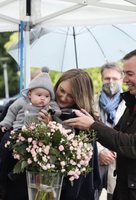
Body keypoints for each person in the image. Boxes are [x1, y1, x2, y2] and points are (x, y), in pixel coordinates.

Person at [66, 49, 136, 200]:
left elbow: (131, 144)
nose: (124, 81)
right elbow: (116, 132)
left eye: (130, 74)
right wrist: (88, 120)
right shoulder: (132, 103)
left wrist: (92, 125)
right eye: (125, 74)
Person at [39, 69, 101, 200]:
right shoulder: (44, 103)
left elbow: (74, 161)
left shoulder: (83, 120)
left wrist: (51, 127)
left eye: (71, 95)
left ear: (80, 98)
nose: (63, 97)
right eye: (61, 90)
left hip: (72, 190)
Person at [0, 71, 61, 173]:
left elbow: (57, 111)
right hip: (18, 129)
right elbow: (12, 112)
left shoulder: (48, 105)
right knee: (6, 141)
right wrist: (6, 123)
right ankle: (0, 160)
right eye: (39, 94)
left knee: (28, 155)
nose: (42, 98)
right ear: (30, 94)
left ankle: (16, 173)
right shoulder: (22, 101)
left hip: (35, 134)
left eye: (47, 96)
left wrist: (53, 112)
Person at [94, 63, 126, 200]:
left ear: (121, 79)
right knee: (92, 194)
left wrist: (114, 149)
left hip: (118, 160)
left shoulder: (128, 103)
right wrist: (100, 150)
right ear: (102, 79)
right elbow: (86, 130)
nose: (111, 82)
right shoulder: (91, 101)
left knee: (114, 195)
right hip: (96, 159)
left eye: (115, 78)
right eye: (107, 78)